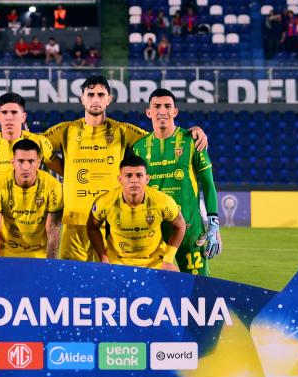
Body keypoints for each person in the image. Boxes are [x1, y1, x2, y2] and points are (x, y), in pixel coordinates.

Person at [43, 75, 208, 262]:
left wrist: (191, 131)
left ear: (108, 99)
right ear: (82, 98)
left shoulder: (122, 130)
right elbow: (36, 146)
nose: (95, 99)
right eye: (90, 94)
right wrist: (67, 170)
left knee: (109, 285)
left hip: (111, 224)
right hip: (74, 222)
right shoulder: (66, 130)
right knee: (72, 286)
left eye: (100, 94)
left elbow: (160, 138)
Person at [133, 88, 221, 275]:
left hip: (190, 231)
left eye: (167, 106)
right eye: (156, 106)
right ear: (149, 112)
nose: (162, 111)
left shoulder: (193, 141)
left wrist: (214, 224)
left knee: (199, 288)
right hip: (154, 232)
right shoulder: (138, 148)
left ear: (175, 111)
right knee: (154, 289)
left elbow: (208, 184)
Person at [87, 154, 185, 271]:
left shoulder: (163, 201)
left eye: (139, 175)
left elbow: (180, 226)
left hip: (154, 261)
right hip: (117, 261)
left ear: (147, 179)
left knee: (174, 277)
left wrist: (168, 260)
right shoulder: (105, 202)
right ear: (120, 179)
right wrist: (103, 257)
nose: (134, 180)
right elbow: (92, 227)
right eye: (128, 175)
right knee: (102, 284)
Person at [0, 139, 63, 259]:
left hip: (40, 255)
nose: (25, 167)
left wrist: (50, 264)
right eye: (21, 161)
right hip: (7, 253)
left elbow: (53, 230)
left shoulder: (53, 186)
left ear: (38, 162)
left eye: (31, 161)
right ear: (13, 162)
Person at [0, 92, 61, 182]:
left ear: (23, 117)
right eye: (4, 112)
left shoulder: (39, 142)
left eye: (14, 112)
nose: (9, 117)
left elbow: (64, 171)